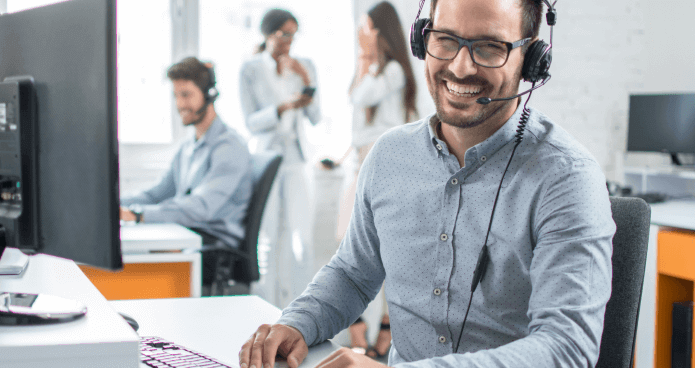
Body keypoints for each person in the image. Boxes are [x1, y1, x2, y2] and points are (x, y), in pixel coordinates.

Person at [239, 0, 615, 367]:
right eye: (445, 39)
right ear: (423, 39)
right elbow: (352, 275)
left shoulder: (567, 178)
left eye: (489, 47)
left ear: (532, 59)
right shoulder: (389, 157)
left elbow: (567, 348)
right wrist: (296, 323)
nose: (461, 66)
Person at [121, 57, 253, 291]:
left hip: (213, 250)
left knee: (132, 266)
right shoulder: (188, 147)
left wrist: (138, 214)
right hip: (189, 239)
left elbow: (200, 207)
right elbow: (157, 194)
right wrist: (113, 205)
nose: (180, 104)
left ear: (209, 94)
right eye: (176, 95)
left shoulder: (229, 147)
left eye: (186, 95)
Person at [332, 1, 417, 359]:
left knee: (384, 250)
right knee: (346, 243)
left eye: (367, 27)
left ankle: (383, 325)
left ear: (381, 31)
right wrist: (364, 59)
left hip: (384, 168)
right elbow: (355, 105)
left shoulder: (395, 70)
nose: (362, 35)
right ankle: (359, 327)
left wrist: (366, 58)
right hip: (358, 165)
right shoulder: (373, 68)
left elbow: (361, 96)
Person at [239, 8, 322, 308]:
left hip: (297, 159)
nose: (289, 41)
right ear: (267, 34)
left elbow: (315, 115)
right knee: (267, 240)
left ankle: (304, 314)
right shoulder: (250, 69)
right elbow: (251, 122)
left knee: (302, 241)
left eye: (293, 35)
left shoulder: (305, 65)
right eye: (283, 34)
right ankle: (264, 311)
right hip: (266, 159)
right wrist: (283, 107)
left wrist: (305, 80)